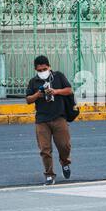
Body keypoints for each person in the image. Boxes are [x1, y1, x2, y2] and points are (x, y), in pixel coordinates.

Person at [26, 55, 73, 186]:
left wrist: (56, 91)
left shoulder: (58, 76)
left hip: (59, 117)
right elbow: (28, 99)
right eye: (39, 70)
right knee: (44, 149)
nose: (42, 72)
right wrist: (37, 95)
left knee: (64, 145)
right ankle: (49, 174)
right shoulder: (33, 82)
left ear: (49, 67)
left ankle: (65, 163)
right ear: (35, 70)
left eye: (44, 69)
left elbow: (69, 90)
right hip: (42, 120)